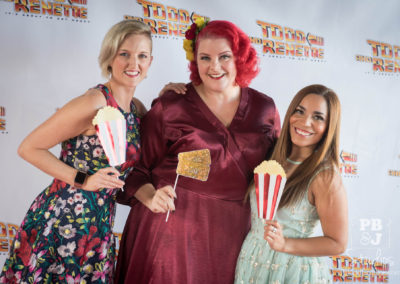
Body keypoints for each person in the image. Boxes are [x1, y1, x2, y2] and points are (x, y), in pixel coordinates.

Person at [115, 19, 281, 283]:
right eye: (205, 58)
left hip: (234, 236)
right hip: (171, 234)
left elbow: (278, 171)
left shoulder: (265, 108)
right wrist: (150, 197)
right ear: (195, 61)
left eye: (224, 57)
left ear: (240, 57)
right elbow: (135, 170)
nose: (214, 67)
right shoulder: (171, 106)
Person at [0, 19, 153, 283]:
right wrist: (84, 179)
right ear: (110, 56)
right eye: (124, 54)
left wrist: (172, 92)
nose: (133, 64)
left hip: (99, 224)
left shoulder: (135, 108)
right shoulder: (94, 102)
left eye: (142, 55)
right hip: (65, 219)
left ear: (150, 61)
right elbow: (29, 148)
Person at [235, 84, 348, 284]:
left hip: (292, 270)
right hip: (252, 262)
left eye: (318, 117)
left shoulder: (324, 176)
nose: (305, 122)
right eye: (300, 111)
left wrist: (285, 244)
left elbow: (337, 243)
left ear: (329, 127)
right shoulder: (270, 158)